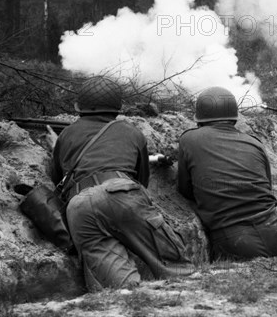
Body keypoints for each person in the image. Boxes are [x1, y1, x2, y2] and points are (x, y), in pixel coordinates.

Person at [51, 76, 193, 291]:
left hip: (78, 205)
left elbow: (56, 178)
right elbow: (141, 181)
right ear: (118, 107)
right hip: (121, 190)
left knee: (119, 289)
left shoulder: (66, 135)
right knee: (176, 267)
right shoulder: (130, 131)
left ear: (77, 106)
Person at [177, 86, 277, 260]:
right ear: (234, 118)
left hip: (237, 240)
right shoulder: (254, 143)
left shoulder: (189, 139)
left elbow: (185, 189)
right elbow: (267, 189)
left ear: (200, 119)